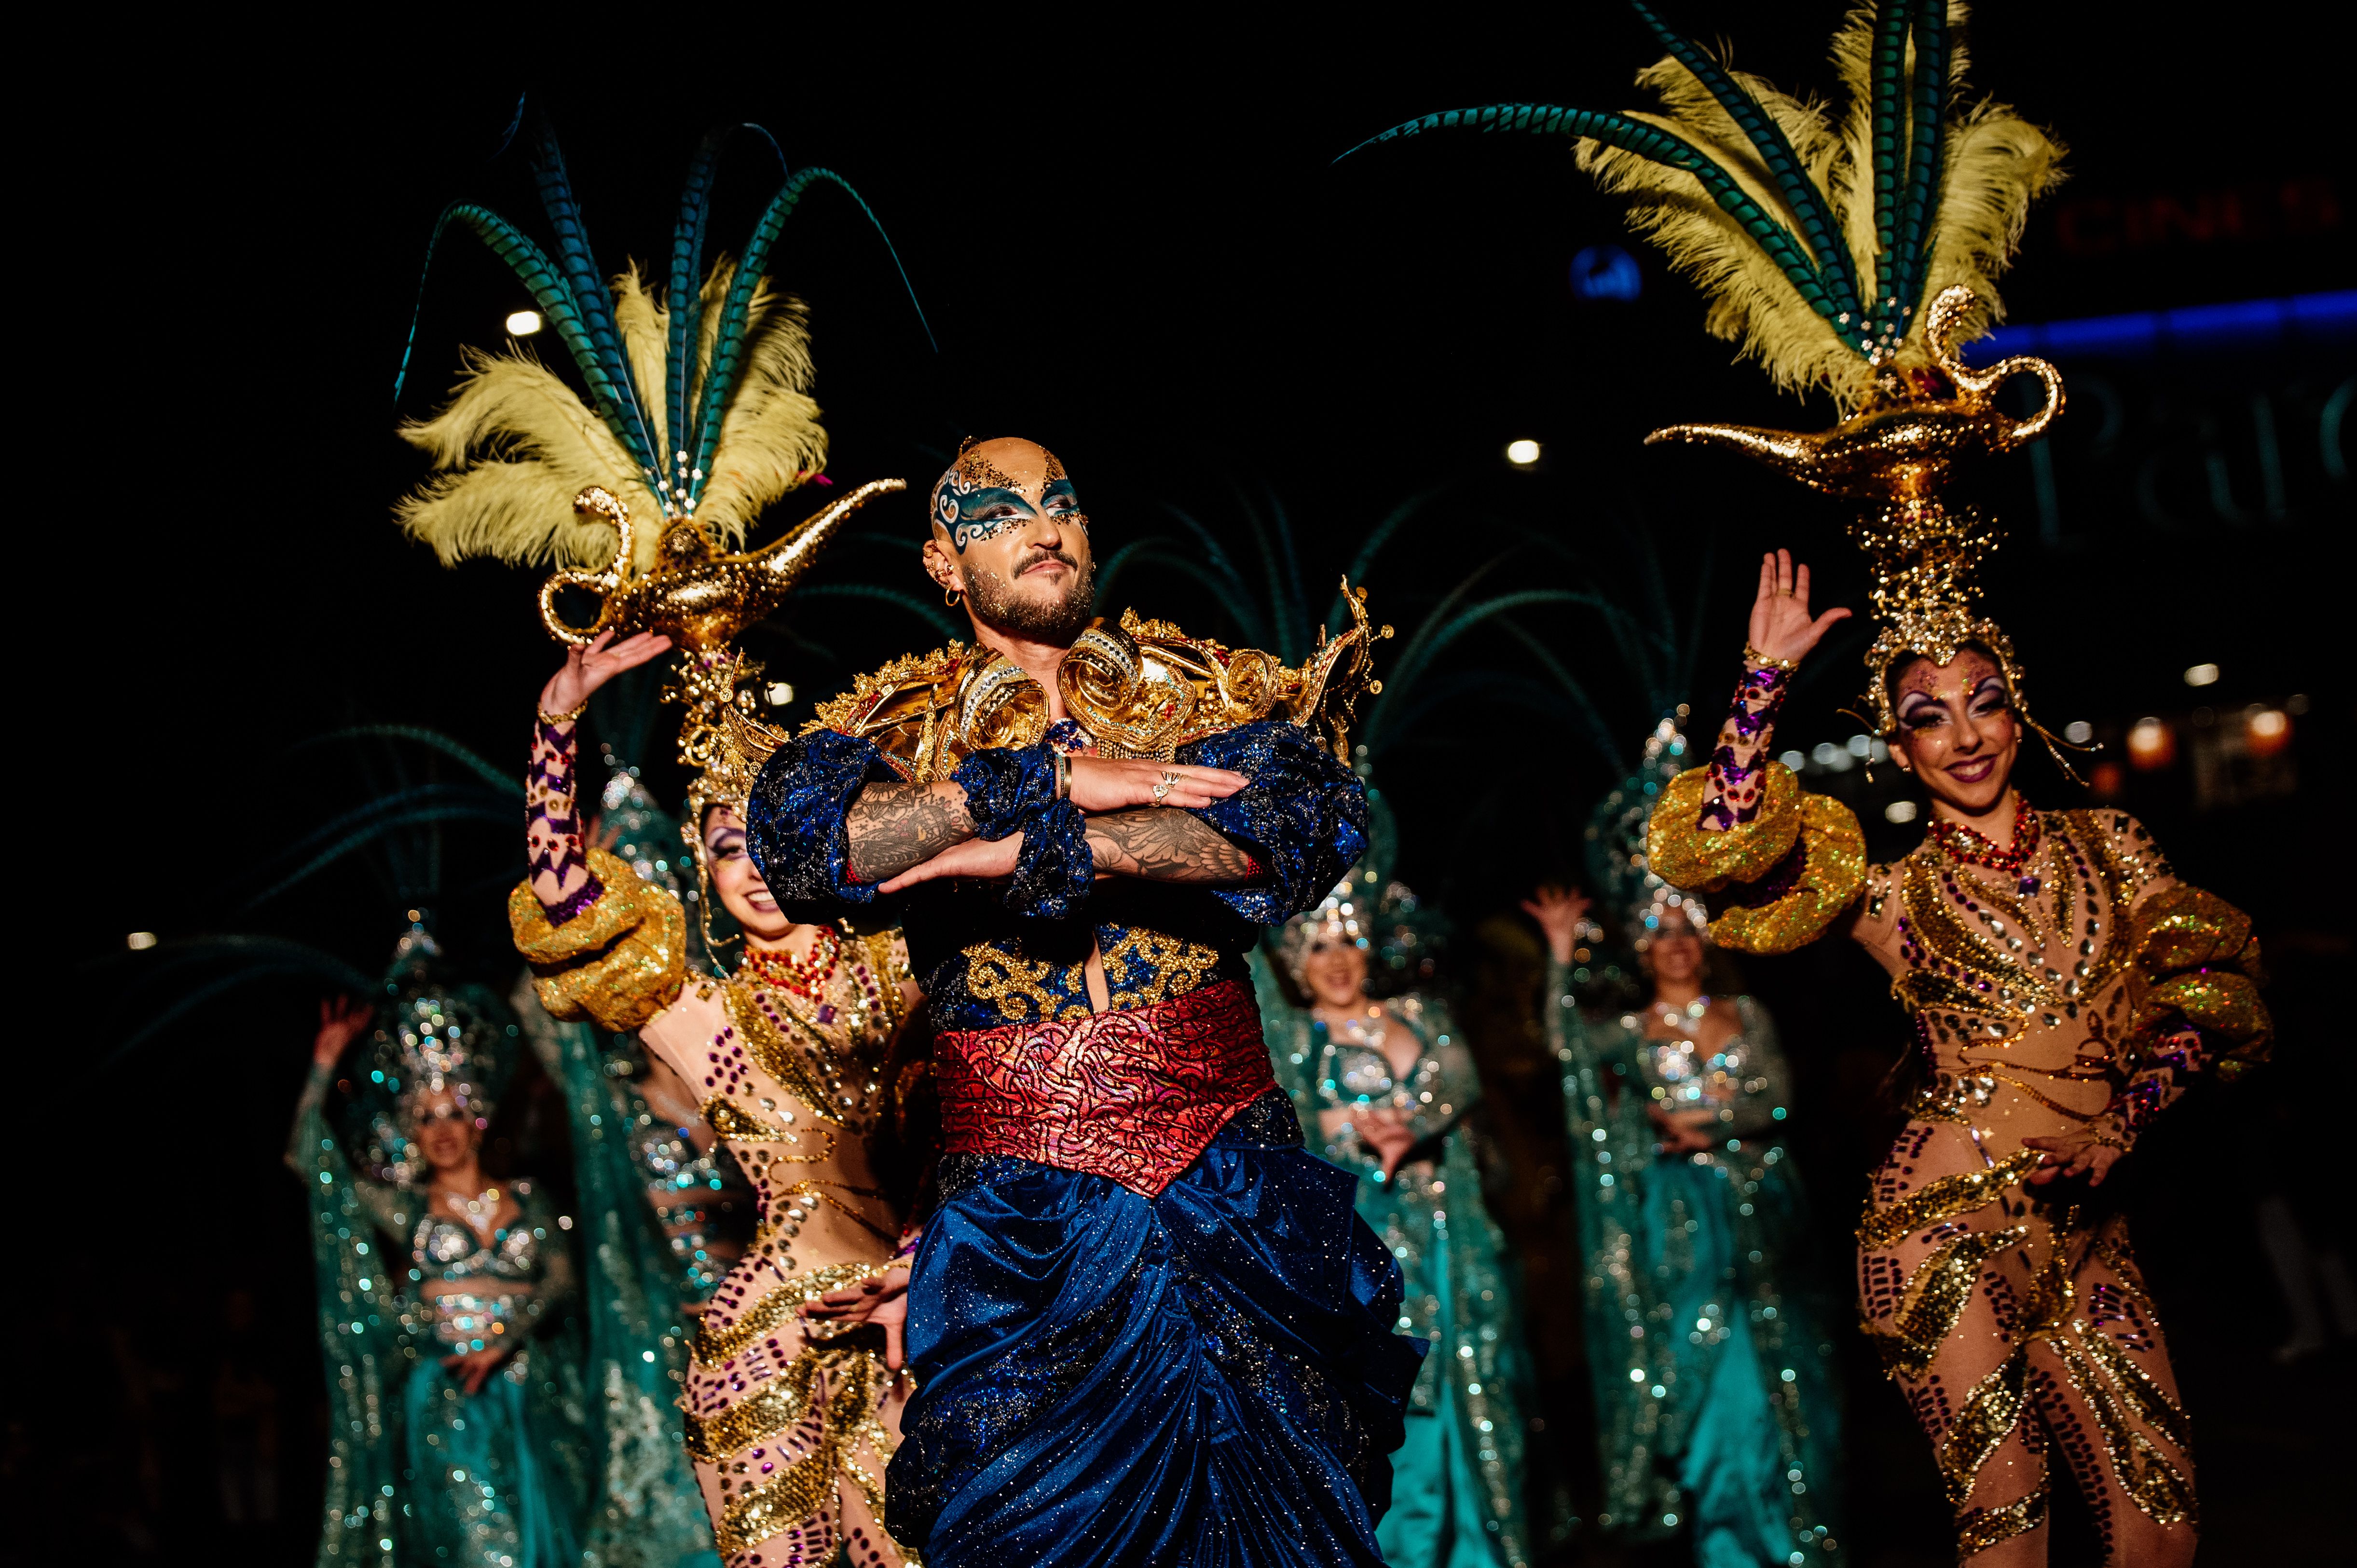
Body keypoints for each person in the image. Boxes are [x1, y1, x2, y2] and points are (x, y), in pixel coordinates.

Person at [744, 435, 1423, 1567]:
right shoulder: (892, 726)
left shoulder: (1206, 690)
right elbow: (825, 854)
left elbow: (1290, 833)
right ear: (943, 565)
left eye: (1062, 503)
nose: (1044, 527)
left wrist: (990, 852)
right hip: (1022, 1212)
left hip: (1229, 1178)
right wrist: (1038, 781)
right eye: (1000, 513)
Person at [1645, 551, 2271, 1565]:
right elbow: (1717, 851)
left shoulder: (2114, 847)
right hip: (1939, 1231)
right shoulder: (1884, 895)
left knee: (2161, 1536)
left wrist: (2124, 1124)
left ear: (2017, 717)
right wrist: (1762, 681)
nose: (1965, 735)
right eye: (1930, 717)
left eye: (1983, 704)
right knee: (2007, 1539)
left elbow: (2205, 999)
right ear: (1897, 748)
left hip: (2090, 1231)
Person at [509, 626, 926, 1568]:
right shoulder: (701, 1015)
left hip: (913, 1328)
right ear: (704, 870)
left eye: (771, 841)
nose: (752, 869)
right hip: (767, 1345)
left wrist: (920, 1258)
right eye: (728, 846)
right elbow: (568, 899)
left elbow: (969, 1136)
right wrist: (557, 718)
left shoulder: (905, 970)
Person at [1524, 872, 1843, 1568]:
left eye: (1685, 930)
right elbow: (1564, 1052)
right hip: (1681, 1224)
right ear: (1641, 948)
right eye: (1659, 932)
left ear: (1705, 940)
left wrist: (1712, 1126)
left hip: (1763, 1210)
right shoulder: (1630, 1032)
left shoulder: (1747, 1012)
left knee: (1781, 1369)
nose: (1673, 945)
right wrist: (1557, 952)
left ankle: (1793, 1534)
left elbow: (1780, 1099)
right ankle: (1725, 1542)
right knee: (1708, 1366)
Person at [1261, 877, 1549, 1568]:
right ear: (1297, 962)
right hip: (1366, 1243)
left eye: (1350, 944)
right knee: (1398, 1391)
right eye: (1320, 946)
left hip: (1449, 1233)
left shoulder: (1419, 1010)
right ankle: (1407, 1552)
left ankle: (1479, 1547)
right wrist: (1340, 1129)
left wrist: (1406, 1127)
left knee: (1470, 1379)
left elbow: (1459, 1080)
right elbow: (1290, 1132)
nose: (1336, 961)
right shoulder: (1297, 1038)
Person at [290, 923, 592, 1568]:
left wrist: (508, 1341)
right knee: (482, 1551)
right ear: (411, 1133)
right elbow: (309, 1161)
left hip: (530, 1395)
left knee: (552, 1545)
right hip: (451, 1403)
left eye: (452, 1111)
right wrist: (321, 1067)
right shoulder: (407, 1211)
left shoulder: (528, 1197)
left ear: (477, 1116)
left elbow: (562, 1279)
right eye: (425, 1118)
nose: (442, 1129)